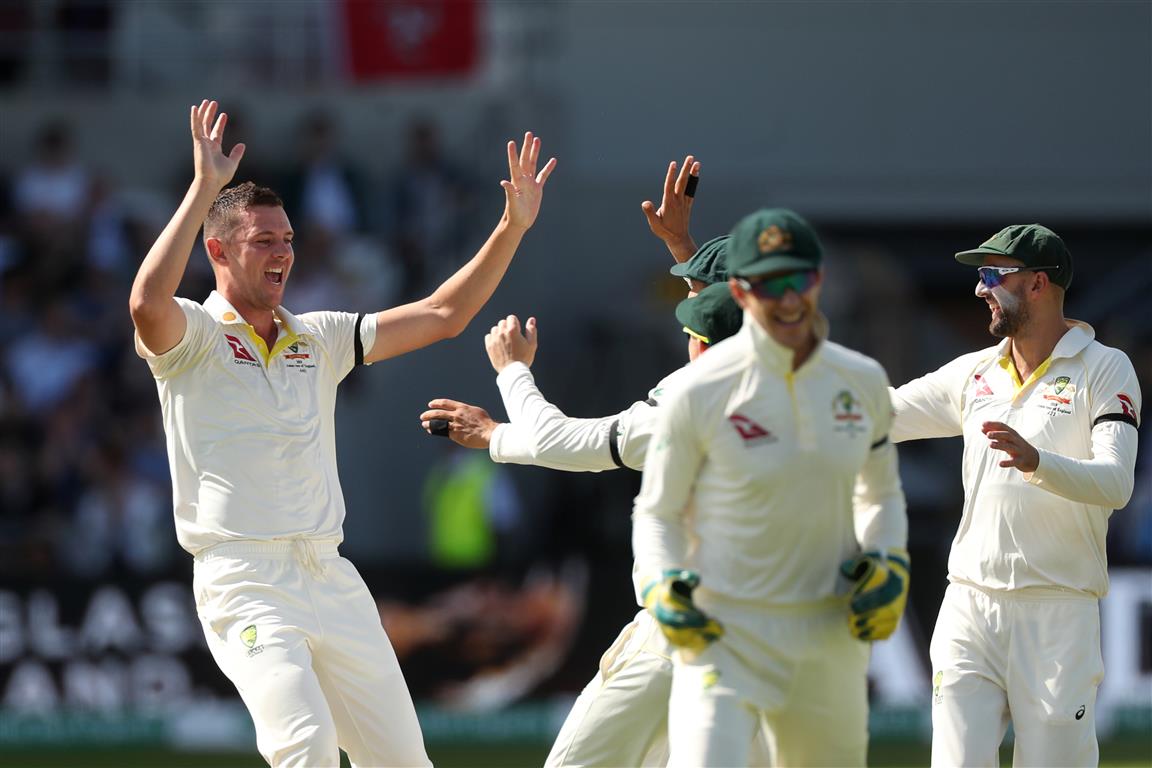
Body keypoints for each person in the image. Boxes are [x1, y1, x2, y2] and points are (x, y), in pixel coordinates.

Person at [128, 99, 555, 767]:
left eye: (289, 240)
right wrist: (204, 187)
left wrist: (511, 225)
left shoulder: (319, 337)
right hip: (246, 582)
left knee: (404, 762)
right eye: (263, 241)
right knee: (307, 752)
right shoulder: (195, 336)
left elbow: (444, 314)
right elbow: (144, 305)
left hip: (331, 577)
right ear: (218, 250)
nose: (283, 254)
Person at [416, 157, 755, 767]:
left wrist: (509, 381)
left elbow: (560, 444)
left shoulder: (686, 407)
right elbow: (729, 316)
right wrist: (683, 246)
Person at [632, 208, 910, 767]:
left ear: (819, 281)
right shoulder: (696, 390)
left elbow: (879, 493)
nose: (787, 300)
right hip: (723, 635)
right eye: (767, 285)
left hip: (826, 637)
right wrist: (659, 585)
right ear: (738, 290)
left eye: (797, 280)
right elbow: (656, 512)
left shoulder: (860, 381)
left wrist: (889, 561)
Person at [888, 224, 1141, 767]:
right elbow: (875, 412)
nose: (980, 289)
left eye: (992, 275)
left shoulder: (1105, 367)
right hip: (969, 605)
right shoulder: (976, 372)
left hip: (1058, 612)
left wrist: (1037, 462)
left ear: (1037, 285)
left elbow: (1117, 482)